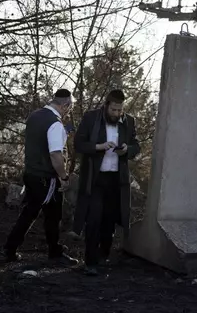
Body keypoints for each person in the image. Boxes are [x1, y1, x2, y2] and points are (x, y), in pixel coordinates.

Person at [3, 89, 79, 265]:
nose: (69, 111)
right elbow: (56, 156)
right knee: (52, 216)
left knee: (30, 212)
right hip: (46, 178)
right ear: (64, 105)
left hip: (30, 173)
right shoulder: (55, 124)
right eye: (70, 107)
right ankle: (54, 252)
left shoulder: (35, 115)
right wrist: (64, 177)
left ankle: (11, 248)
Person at [72, 89, 140, 276]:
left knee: (109, 220)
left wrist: (127, 149)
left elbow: (136, 146)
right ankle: (90, 262)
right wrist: (98, 147)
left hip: (117, 179)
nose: (117, 114)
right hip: (95, 178)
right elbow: (78, 144)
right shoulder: (91, 118)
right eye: (114, 110)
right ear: (106, 106)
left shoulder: (129, 121)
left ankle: (103, 255)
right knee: (93, 218)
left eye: (120, 110)